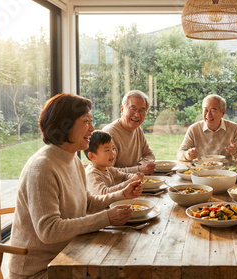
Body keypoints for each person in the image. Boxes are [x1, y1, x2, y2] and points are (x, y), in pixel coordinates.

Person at [8, 93, 143, 279]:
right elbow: (49, 230)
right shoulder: (42, 168)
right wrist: (107, 218)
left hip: (70, 255)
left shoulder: (73, 160)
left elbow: (87, 203)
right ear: (65, 124)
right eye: (86, 121)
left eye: (91, 121)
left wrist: (122, 194)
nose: (92, 128)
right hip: (41, 270)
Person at [177, 94, 237, 162]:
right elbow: (180, 154)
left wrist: (236, 151)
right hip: (201, 171)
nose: (208, 115)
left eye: (213, 110)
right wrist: (188, 155)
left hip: (225, 171)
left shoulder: (233, 128)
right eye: (206, 110)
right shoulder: (194, 129)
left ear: (222, 113)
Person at [103, 90, 156, 174]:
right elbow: (107, 171)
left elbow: (149, 155)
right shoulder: (109, 134)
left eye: (142, 110)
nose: (137, 115)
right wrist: (138, 169)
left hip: (133, 182)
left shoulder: (138, 130)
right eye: (132, 109)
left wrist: (140, 165)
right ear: (122, 109)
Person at [84, 130, 145, 195]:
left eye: (113, 149)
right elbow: (104, 193)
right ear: (92, 156)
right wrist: (131, 181)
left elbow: (124, 176)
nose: (113, 153)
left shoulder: (108, 169)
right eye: (107, 150)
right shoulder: (92, 174)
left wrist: (135, 177)